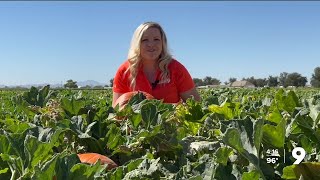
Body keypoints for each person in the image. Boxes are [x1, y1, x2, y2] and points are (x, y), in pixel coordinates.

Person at [112, 21, 201, 107]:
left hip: (170, 122)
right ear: (137, 43)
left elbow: (196, 105)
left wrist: (169, 109)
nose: (151, 44)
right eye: (145, 40)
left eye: (156, 39)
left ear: (163, 43)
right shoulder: (124, 71)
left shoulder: (176, 69)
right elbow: (117, 110)